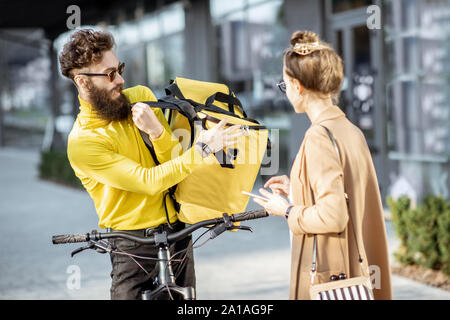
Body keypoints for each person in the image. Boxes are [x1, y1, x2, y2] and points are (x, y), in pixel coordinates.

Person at [59, 29, 242, 299]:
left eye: (119, 68)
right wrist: (203, 148)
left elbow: (173, 167)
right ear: (83, 82)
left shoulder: (140, 98)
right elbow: (149, 181)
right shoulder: (84, 142)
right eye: (109, 74)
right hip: (132, 245)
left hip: (178, 233)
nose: (120, 79)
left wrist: (157, 132)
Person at [253, 30, 392, 300]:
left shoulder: (318, 136)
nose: (285, 92)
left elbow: (334, 215)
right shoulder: (348, 129)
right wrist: (298, 187)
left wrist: (287, 210)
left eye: (284, 85)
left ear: (298, 86)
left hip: (332, 279)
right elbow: (346, 192)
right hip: (356, 271)